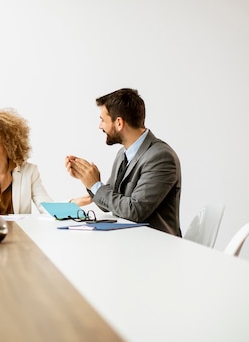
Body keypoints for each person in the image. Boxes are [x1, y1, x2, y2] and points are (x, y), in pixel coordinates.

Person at [65, 88, 182, 236]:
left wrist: (96, 185)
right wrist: (87, 179)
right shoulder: (123, 154)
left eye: (102, 120)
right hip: (127, 241)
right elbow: (108, 205)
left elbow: (134, 211)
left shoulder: (161, 157)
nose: (100, 126)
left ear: (119, 123)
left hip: (155, 246)